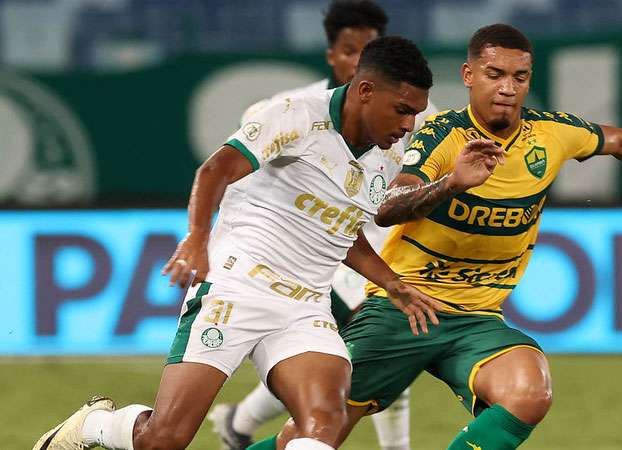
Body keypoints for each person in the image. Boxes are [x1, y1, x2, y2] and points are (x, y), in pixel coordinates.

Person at [253, 23, 622, 450]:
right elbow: (387, 208)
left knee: (530, 389)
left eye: (520, 76)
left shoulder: (550, 133)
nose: (507, 87)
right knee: (306, 438)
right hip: (403, 309)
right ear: (469, 75)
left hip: (478, 319)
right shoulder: (439, 135)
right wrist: (451, 183)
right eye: (495, 73)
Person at [32, 36, 452, 450]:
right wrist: (197, 239)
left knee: (323, 424)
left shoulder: (389, 155)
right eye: (402, 111)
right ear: (365, 91)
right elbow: (215, 169)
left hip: (305, 306)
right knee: (164, 438)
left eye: (415, 114)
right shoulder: (295, 115)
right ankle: (94, 425)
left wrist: (391, 282)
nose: (408, 126)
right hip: (236, 286)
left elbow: (342, 230)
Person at [208, 2, 438, 450]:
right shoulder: (288, 112)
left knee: (350, 366)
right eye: (350, 51)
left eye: (368, 51)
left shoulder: (414, 117)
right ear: (333, 56)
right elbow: (238, 178)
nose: (357, 62)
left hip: (379, 253)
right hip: (317, 263)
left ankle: (240, 420)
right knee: (367, 359)